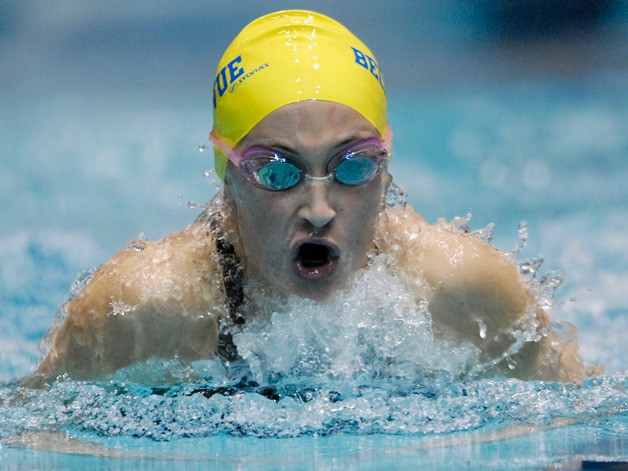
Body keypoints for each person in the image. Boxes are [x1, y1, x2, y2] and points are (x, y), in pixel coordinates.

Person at [22, 10, 596, 388]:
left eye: (352, 166)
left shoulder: (465, 293)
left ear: (386, 163)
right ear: (228, 174)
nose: (319, 209)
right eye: (277, 172)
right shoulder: (144, 310)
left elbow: (585, 425)